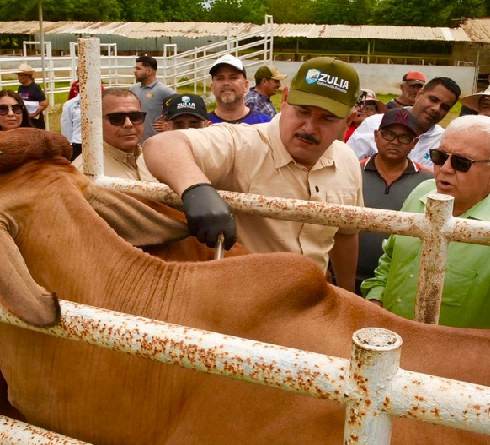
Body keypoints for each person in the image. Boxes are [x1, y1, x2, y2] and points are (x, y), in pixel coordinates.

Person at [144, 57, 364, 292]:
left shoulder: (347, 160)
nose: (309, 127)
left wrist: (347, 294)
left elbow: (345, 234)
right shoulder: (243, 144)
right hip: (245, 301)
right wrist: (196, 189)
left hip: (313, 301)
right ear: (285, 99)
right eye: (303, 111)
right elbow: (162, 145)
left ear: (349, 121)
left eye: (327, 118)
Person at [361, 115, 490, 329]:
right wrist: (376, 298)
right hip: (388, 338)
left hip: (452, 351)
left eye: (461, 162)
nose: (445, 168)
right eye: (439, 156)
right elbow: (391, 258)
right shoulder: (423, 191)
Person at [357, 108, 433, 290]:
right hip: (345, 274)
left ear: (414, 143)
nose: (395, 142)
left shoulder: (429, 183)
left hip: (398, 283)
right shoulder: (352, 171)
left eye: (404, 137)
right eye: (389, 134)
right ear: (376, 136)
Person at [347, 77, 460, 169]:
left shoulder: (443, 142)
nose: (436, 109)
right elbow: (347, 165)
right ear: (419, 94)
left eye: (445, 107)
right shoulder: (374, 124)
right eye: (433, 99)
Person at [72, 88, 153, 181]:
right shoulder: (86, 171)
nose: (128, 124)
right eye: (117, 118)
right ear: (97, 123)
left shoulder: (152, 158)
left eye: (135, 117)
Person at [206, 55, 271, 125]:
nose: (226, 83)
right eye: (220, 78)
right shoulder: (203, 125)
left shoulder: (265, 124)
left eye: (233, 77)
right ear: (212, 88)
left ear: (246, 85)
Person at [131, 54, 176, 142]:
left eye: (138, 69)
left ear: (148, 71)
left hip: (156, 141)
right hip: (136, 141)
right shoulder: (133, 89)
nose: (134, 71)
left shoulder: (164, 90)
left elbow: (179, 107)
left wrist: (167, 122)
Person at [16, 64, 47, 129]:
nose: (19, 78)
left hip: (35, 121)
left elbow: (44, 103)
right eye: (18, 76)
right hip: (25, 120)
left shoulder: (35, 88)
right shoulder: (21, 88)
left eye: (20, 75)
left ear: (27, 75)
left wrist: (35, 114)